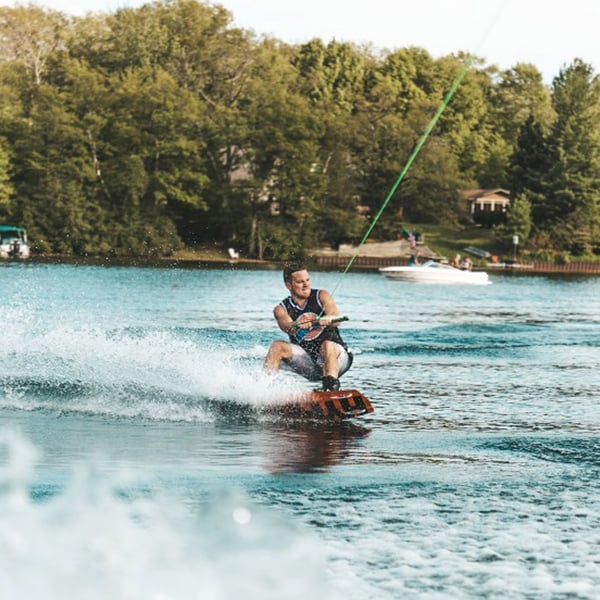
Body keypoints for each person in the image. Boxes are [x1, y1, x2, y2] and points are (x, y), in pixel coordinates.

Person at [263, 262, 353, 391]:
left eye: (307, 280)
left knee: (326, 345)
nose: (306, 285)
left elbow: (335, 317)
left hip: (338, 359)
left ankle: (330, 388)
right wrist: (298, 324)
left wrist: (326, 319)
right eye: (300, 282)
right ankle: (264, 391)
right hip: (309, 364)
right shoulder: (281, 309)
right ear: (288, 285)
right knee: (277, 346)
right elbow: (287, 326)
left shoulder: (321, 295)